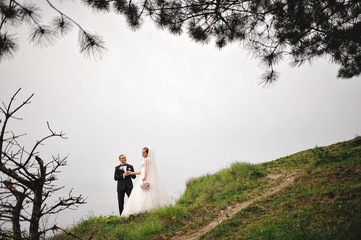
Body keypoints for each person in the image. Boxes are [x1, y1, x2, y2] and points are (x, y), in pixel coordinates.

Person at [121, 147, 172, 217]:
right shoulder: (147, 160)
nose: (142, 154)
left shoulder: (147, 159)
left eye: (144, 152)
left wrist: (144, 177)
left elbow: (146, 169)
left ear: (148, 153)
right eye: (142, 152)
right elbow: (141, 171)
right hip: (143, 176)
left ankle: (142, 210)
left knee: (143, 193)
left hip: (144, 177)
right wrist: (132, 173)